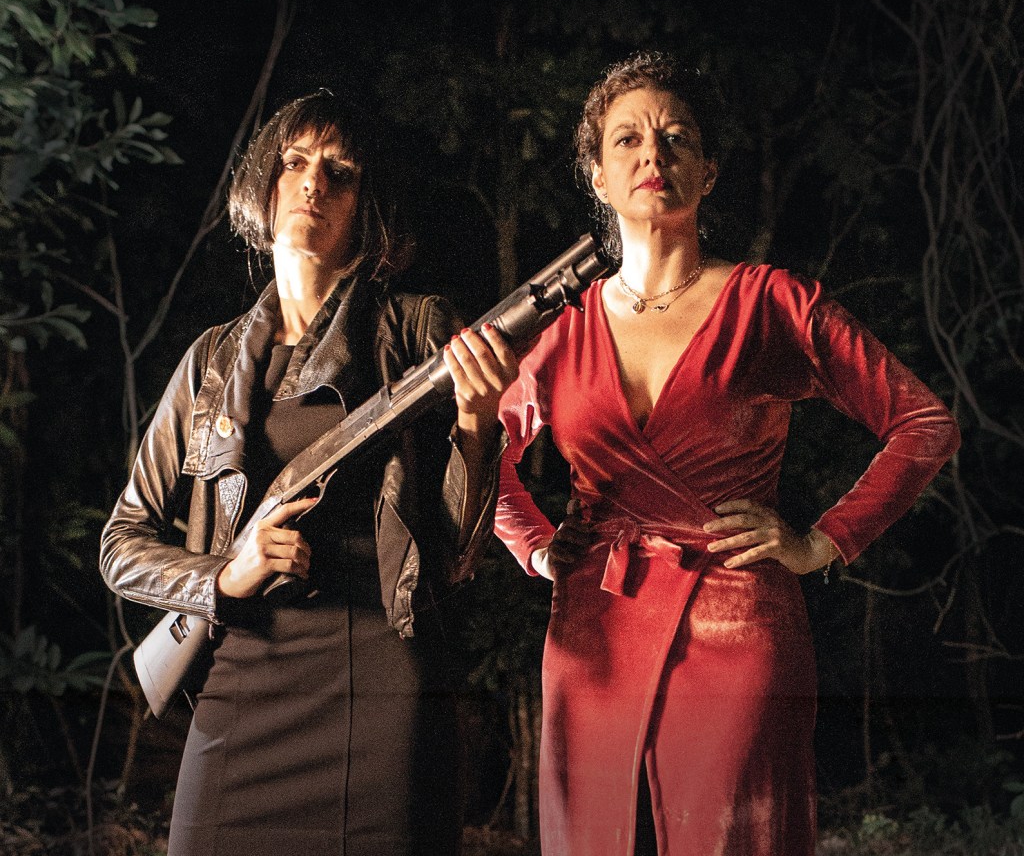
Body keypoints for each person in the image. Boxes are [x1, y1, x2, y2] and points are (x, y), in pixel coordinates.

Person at [494, 51, 960, 856]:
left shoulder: (772, 302)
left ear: (708, 171)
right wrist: (535, 547)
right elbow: (481, 458)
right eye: (628, 139)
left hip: (736, 632)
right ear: (598, 176)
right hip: (592, 641)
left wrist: (821, 541)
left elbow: (924, 423)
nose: (653, 153)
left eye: (677, 137)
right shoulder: (562, 330)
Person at [100, 89, 518, 856]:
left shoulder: (417, 330)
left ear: (367, 206)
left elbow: (458, 555)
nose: (313, 183)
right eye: (294, 162)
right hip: (242, 680)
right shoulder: (211, 360)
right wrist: (225, 575)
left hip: (382, 686)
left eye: (340, 171)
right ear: (264, 184)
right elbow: (120, 544)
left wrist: (477, 421)